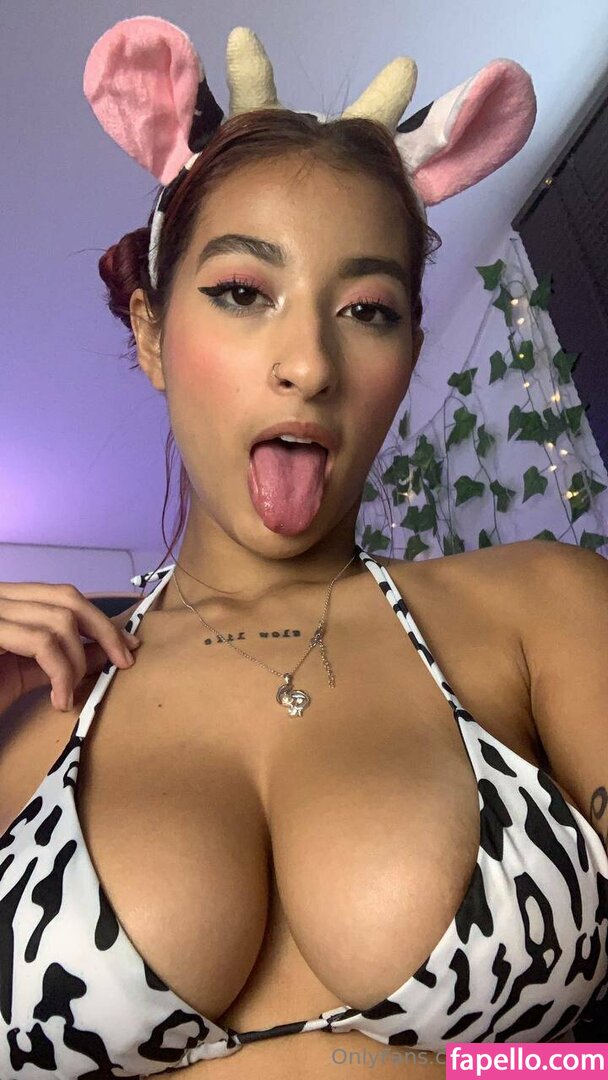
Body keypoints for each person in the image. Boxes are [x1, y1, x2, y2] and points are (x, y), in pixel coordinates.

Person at [1, 16, 606, 1080]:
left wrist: (488, 1071)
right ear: (150, 333)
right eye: (243, 293)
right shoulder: (32, 692)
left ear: (407, 354)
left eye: (367, 309)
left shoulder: (542, 608)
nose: (308, 363)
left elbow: (590, 1059)